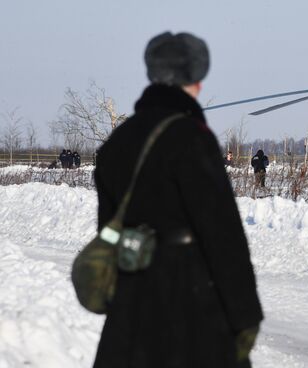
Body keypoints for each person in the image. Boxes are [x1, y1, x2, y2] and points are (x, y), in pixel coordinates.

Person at [92, 32, 263, 368]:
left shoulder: (117, 143)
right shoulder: (192, 138)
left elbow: (107, 229)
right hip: (192, 311)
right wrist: (245, 315)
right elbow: (222, 235)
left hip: (130, 313)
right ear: (195, 80)